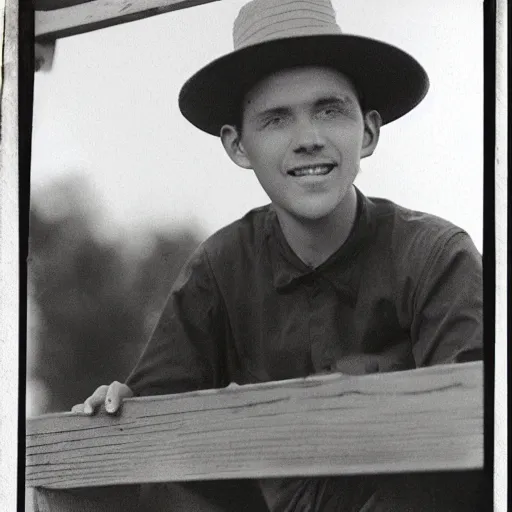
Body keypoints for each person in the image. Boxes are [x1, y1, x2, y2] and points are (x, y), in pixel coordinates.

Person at [42, 0, 484, 510]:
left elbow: (478, 423)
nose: (309, 139)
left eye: (330, 109)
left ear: (367, 131)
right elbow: (149, 419)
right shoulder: (219, 270)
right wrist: (114, 417)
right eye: (276, 119)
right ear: (239, 146)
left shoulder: (437, 257)